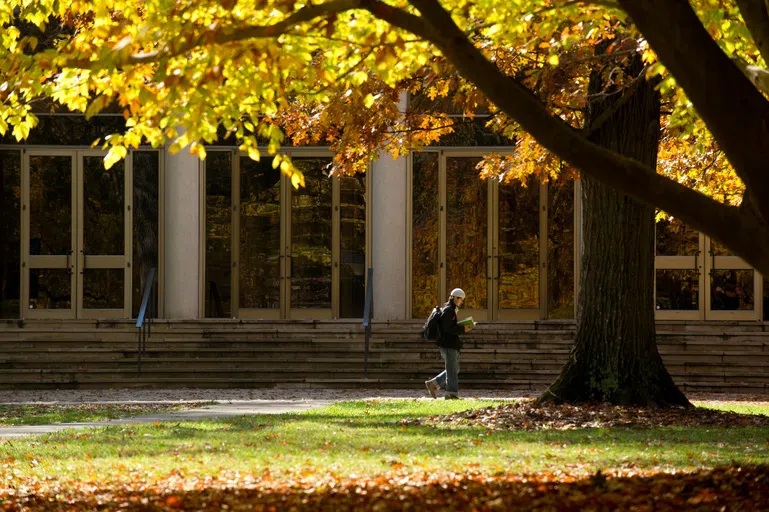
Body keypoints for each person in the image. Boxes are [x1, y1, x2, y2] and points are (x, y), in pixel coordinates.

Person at [425, 288, 471, 400]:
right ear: (455, 298)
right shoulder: (449, 310)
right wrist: (463, 328)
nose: (462, 302)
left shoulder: (450, 309)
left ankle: (433, 384)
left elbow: (448, 327)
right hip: (448, 344)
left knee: (454, 369)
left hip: (449, 343)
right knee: (452, 370)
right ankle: (451, 394)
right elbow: (448, 329)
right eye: (461, 299)